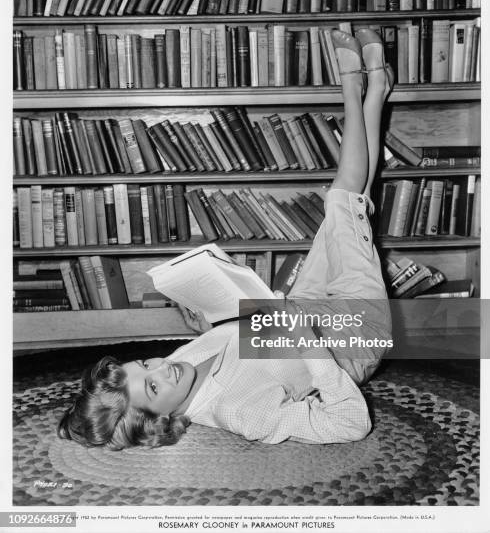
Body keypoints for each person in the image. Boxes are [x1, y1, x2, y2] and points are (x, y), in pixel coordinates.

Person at [58, 28, 394, 450]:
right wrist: (308, 341)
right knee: (344, 199)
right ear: (161, 422)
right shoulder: (240, 413)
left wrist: (212, 323)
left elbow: (242, 346)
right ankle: (357, 87)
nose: (165, 367)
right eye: (154, 387)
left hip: (299, 312)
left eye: (146, 364)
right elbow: (349, 424)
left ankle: (374, 88)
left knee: (351, 205)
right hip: (352, 339)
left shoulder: (178, 364)